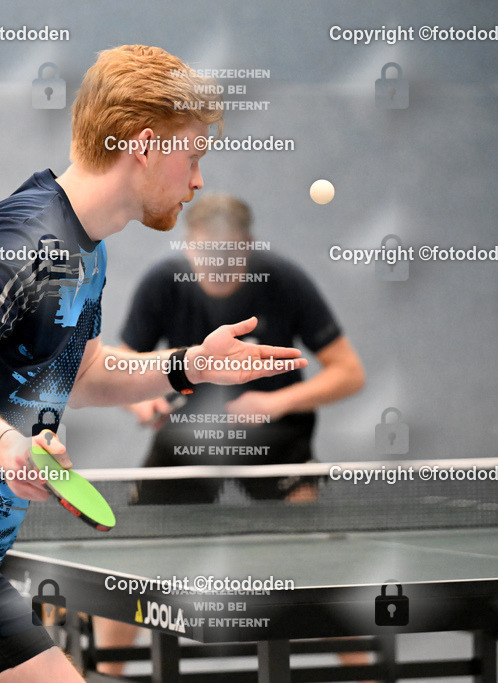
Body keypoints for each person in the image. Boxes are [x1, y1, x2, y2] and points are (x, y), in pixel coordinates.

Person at [0, 45, 310, 683]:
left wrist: (189, 365)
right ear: (146, 147)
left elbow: (86, 370)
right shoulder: (25, 241)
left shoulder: (84, 249)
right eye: (194, 153)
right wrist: (10, 448)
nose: (199, 179)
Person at [94, 193, 366, 676]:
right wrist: (143, 400)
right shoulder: (164, 283)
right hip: (185, 448)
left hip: (277, 446)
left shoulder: (283, 281)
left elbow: (349, 373)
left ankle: (364, 672)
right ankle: (105, 674)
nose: (214, 266)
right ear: (188, 245)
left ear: (247, 245)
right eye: (203, 253)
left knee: (314, 572)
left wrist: (274, 402)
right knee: (133, 567)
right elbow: (117, 365)